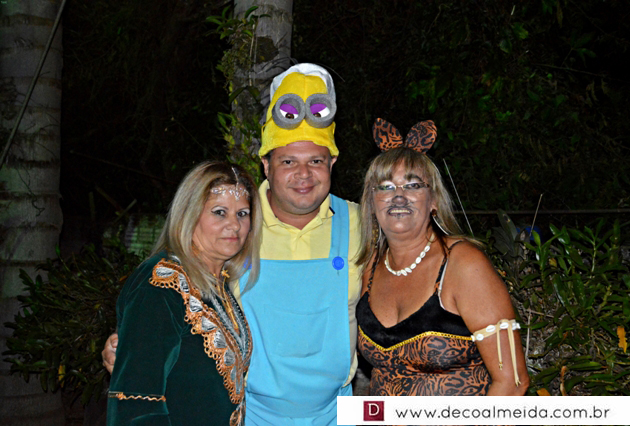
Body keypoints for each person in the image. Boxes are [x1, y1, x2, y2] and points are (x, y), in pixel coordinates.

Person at [103, 64, 362, 425]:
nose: (303, 174)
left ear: (332, 162)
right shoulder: (233, 236)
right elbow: (160, 323)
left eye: (316, 161)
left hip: (337, 414)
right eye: (288, 161)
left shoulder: (364, 224)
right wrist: (131, 342)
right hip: (252, 416)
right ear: (266, 165)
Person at [355, 118, 530, 397]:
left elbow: (513, 382)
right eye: (385, 187)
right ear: (371, 203)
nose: (398, 196)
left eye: (413, 185)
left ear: (434, 201)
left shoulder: (463, 264)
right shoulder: (370, 267)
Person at [106, 161, 262, 426]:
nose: (234, 226)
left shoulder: (219, 282)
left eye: (242, 214)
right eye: (219, 212)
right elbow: (137, 402)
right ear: (190, 214)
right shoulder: (160, 282)